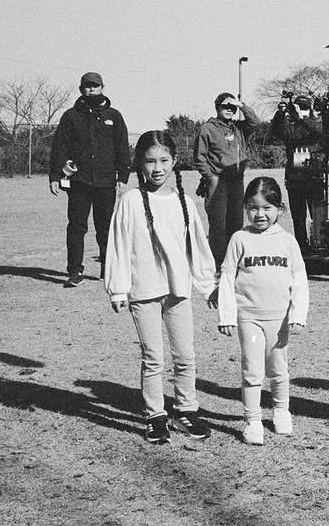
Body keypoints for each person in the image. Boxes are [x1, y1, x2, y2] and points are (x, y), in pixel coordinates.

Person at [104, 131, 216, 444]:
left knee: (185, 356)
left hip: (177, 292)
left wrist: (208, 285)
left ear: (174, 161)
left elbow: (198, 247)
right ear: (139, 164)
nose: (157, 168)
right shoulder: (130, 201)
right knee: (153, 357)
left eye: (164, 160)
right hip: (144, 292)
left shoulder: (184, 202)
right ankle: (155, 416)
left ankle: (186, 411)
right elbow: (119, 245)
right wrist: (118, 289)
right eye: (150, 161)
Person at [216, 177, 309, 446]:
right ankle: (253, 420)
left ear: (279, 209)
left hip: (279, 319)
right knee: (252, 369)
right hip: (249, 319)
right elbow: (227, 277)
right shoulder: (239, 239)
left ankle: (281, 411)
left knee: (278, 368)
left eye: (267, 208)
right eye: (253, 208)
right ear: (245, 208)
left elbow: (299, 279)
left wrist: (298, 315)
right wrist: (227, 315)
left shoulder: (287, 241)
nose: (260, 214)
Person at [49, 71, 131, 288]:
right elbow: (59, 147)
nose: (91, 89)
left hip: (105, 182)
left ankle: (107, 267)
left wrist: (123, 177)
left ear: (102, 87)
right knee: (76, 226)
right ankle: (75, 271)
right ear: (81, 89)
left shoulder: (114, 116)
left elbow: (122, 148)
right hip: (79, 182)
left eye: (95, 85)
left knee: (105, 227)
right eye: (87, 86)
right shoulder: (71, 116)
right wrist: (55, 176)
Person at [194, 92, 262, 267]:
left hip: (237, 181)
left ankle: (234, 260)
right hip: (218, 181)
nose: (229, 110)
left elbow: (255, 123)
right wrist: (210, 177)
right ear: (217, 107)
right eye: (225, 106)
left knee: (236, 222)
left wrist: (241, 105)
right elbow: (199, 157)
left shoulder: (238, 128)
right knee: (218, 224)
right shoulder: (207, 129)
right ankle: (218, 263)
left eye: (232, 107)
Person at [269, 94, 325, 253]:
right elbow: (275, 132)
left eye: (305, 107)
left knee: (318, 215)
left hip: (314, 177)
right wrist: (281, 113)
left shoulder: (316, 123)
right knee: (298, 217)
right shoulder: (290, 126)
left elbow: (318, 132)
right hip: (295, 179)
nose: (302, 111)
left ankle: (320, 243)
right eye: (300, 107)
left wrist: (302, 117)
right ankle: (302, 247)